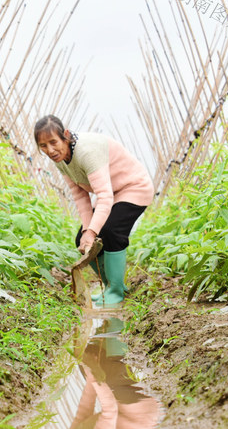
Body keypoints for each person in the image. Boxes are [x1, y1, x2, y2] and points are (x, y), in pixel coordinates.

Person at [34, 115, 155, 306]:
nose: (50, 150)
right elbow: (80, 196)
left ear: (65, 135)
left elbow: (104, 196)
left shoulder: (86, 152)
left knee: (111, 231)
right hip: (112, 193)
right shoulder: (61, 160)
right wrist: (86, 232)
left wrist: (92, 231)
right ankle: (111, 287)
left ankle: (116, 291)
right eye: (43, 146)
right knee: (81, 240)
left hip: (133, 187)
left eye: (53, 142)